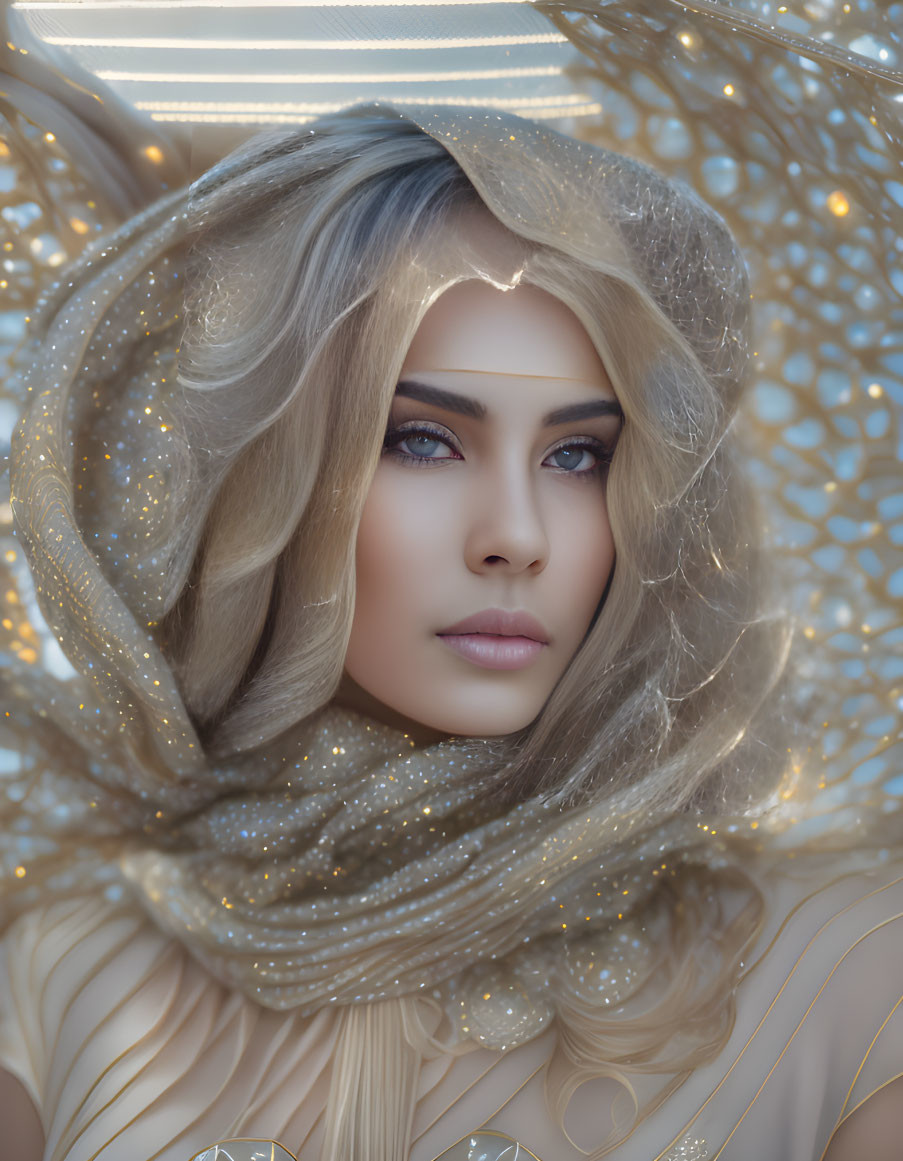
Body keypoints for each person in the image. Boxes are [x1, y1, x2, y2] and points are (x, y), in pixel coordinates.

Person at [0, 99, 900, 1161]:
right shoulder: (70, 969)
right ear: (260, 477)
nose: (517, 538)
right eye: (423, 441)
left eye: (578, 458)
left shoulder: (844, 970)